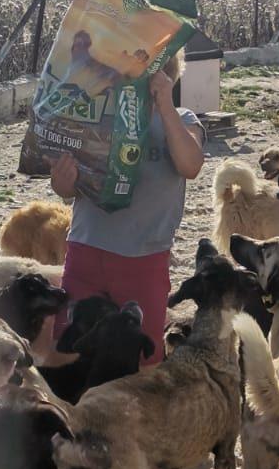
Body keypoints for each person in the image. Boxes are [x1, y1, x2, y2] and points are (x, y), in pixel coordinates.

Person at [49, 52, 203, 365]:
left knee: (141, 358)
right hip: (86, 249)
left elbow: (191, 164)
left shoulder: (181, 119)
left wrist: (164, 104)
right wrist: (61, 181)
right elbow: (68, 189)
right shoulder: (97, 117)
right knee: (71, 349)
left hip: (143, 259)